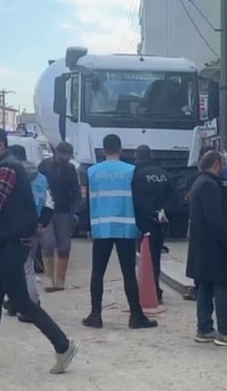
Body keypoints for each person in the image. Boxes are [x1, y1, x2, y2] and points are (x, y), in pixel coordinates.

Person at [0, 128, 79, 374]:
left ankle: (63, 346)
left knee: (22, 303)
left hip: (10, 245)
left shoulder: (7, 168)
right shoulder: (4, 166)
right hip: (2, 243)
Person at [84, 134, 157, 329]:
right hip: (125, 227)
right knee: (128, 274)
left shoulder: (92, 172)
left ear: (103, 149)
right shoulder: (131, 171)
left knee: (97, 273)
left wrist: (87, 227)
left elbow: (88, 202)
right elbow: (137, 201)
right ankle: (136, 316)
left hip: (101, 227)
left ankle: (95, 315)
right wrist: (143, 226)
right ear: (121, 149)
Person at [186, 149, 227, 346]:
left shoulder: (201, 182)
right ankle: (224, 330)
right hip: (214, 247)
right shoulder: (209, 186)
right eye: (223, 164)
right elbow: (217, 220)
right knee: (222, 287)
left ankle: (204, 328)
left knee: (205, 286)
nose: (225, 168)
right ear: (215, 165)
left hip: (202, 246)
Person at [3, 144, 46, 322]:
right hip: (36, 225)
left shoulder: (13, 176)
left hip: (16, 226)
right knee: (23, 265)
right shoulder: (41, 177)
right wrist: (42, 223)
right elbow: (48, 201)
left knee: (22, 267)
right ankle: (16, 302)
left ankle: (31, 305)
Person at [131, 145, 174, 304]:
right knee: (155, 257)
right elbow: (173, 195)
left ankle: (149, 290)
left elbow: (136, 200)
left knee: (143, 258)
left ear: (137, 156)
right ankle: (155, 289)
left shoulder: (135, 175)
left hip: (142, 222)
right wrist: (162, 212)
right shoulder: (164, 174)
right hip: (159, 222)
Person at [41, 141, 81, 292]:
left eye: (68, 155)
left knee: (64, 247)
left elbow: (76, 191)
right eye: (62, 154)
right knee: (48, 243)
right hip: (46, 211)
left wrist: (76, 210)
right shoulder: (44, 166)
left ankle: (60, 281)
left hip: (65, 211)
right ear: (56, 152)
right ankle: (48, 280)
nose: (65, 158)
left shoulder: (71, 169)